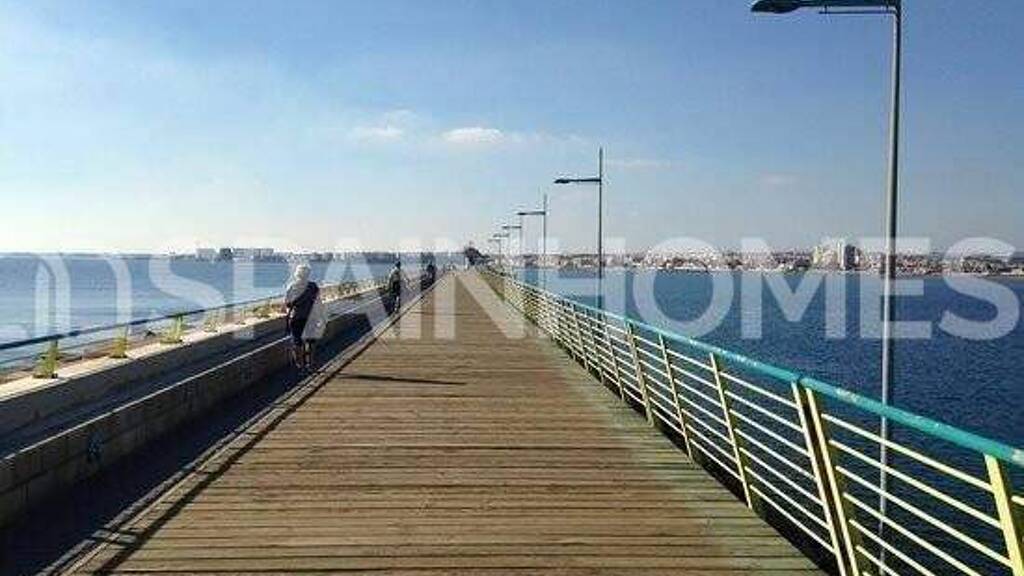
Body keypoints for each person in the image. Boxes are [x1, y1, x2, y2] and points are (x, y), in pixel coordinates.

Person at [284, 264, 326, 372]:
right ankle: (310, 364)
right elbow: (318, 303)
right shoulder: (313, 286)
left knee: (297, 342)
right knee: (311, 342)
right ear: (308, 274)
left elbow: (287, 304)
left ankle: (300, 365)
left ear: (297, 274)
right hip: (311, 317)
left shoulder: (291, 286)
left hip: (296, 318)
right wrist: (322, 317)